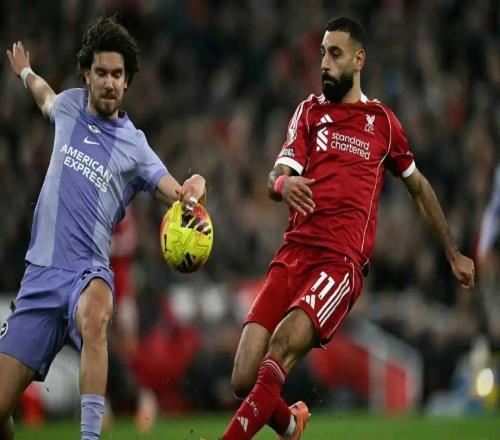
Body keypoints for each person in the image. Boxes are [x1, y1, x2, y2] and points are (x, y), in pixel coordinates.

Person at [219, 16, 475, 440]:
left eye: (335, 54)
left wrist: (452, 252)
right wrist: (284, 185)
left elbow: (418, 187)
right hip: (292, 254)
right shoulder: (308, 112)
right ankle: (290, 424)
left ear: (359, 60)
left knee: (281, 347)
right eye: (322, 53)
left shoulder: (383, 123)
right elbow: (273, 177)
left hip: (339, 263)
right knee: (243, 378)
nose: (325, 63)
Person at [0, 16, 206, 440]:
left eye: (117, 74)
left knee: (96, 316)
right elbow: (43, 95)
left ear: (127, 81)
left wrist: (193, 186)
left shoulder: (135, 145)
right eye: (102, 73)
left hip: (87, 273)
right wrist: (24, 71)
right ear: (86, 75)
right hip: (40, 276)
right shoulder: (69, 107)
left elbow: (173, 190)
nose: (109, 83)